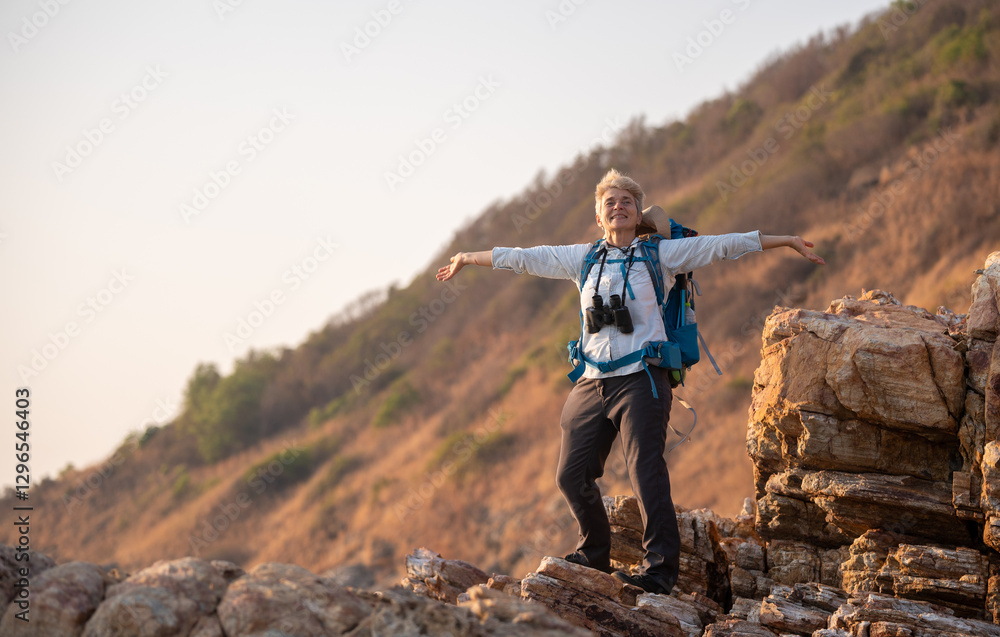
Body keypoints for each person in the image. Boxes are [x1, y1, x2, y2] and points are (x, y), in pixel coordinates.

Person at [436, 168, 824, 596]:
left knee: (645, 470)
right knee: (570, 475)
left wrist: (782, 240)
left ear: (638, 213)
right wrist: (469, 258)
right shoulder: (581, 258)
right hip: (591, 381)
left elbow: (722, 246)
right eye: (610, 202)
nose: (618, 207)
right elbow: (524, 257)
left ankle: (658, 573)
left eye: (626, 201)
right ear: (599, 216)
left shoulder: (661, 255)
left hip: (643, 378)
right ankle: (594, 554)